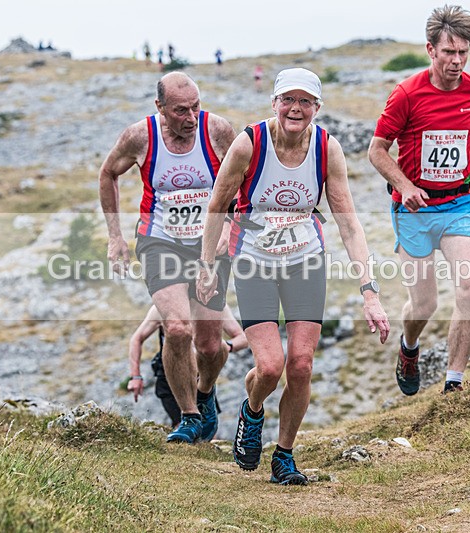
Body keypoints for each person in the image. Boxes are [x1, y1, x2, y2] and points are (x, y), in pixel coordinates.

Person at [197, 68, 390, 485]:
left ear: (317, 109)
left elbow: (350, 224)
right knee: (269, 367)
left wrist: (369, 292)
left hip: (305, 258)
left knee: (300, 364)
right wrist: (207, 266)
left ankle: (284, 455)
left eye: (305, 102)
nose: (295, 109)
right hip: (254, 260)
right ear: (274, 102)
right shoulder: (249, 144)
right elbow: (216, 205)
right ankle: (251, 413)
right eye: (288, 99)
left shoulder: (326, 149)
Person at [368, 5, 470, 396]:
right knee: (424, 305)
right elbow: (377, 150)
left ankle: (454, 383)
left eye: (464, 52)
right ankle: (409, 348)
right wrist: (406, 185)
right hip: (413, 209)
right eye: (449, 52)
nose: (457, 61)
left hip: (459, 204)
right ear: (430, 50)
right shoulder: (406, 94)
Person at [99, 72, 237, 444]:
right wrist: (115, 237)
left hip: (209, 245)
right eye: (180, 111)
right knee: (177, 328)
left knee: (210, 347)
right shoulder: (139, 137)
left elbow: (246, 176)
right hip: (159, 241)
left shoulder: (217, 130)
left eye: (196, 107)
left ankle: (205, 393)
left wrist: (229, 227)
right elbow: (108, 173)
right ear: (160, 107)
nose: (191, 117)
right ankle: (189, 416)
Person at [127, 304, 248, 430]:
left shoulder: (216, 304)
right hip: (170, 375)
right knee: (183, 424)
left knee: (206, 427)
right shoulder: (162, 305)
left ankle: (205, 445)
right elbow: (137, 338)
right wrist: (135, 376)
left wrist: (221, 348)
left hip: (201, 377)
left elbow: (242, 338)